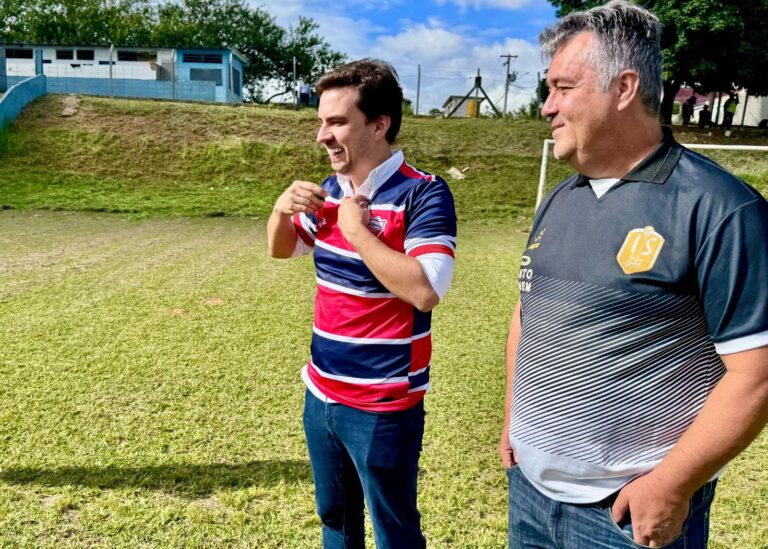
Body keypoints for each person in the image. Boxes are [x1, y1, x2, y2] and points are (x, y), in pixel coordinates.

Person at [500, 2, 768, 548]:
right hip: (528, 493)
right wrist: (514, 419)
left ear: (623, 88)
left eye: (563, 88)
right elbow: (528, 314)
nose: (547, 106)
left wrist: (671, 484)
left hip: (625, 514)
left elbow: (756, 373)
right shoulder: (559, 199)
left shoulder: (719, 208)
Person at [267, 59, 457, 548]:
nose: (322, 136)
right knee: (335, 521)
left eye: (336, 122)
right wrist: (280, 210)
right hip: (321, 392)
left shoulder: (424, 193)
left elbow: (426, 289)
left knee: (395, 533)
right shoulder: (329, 191)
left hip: (383, 404)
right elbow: (282, 248)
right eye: (320, 122)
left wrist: (355, 230)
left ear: (379, 124)